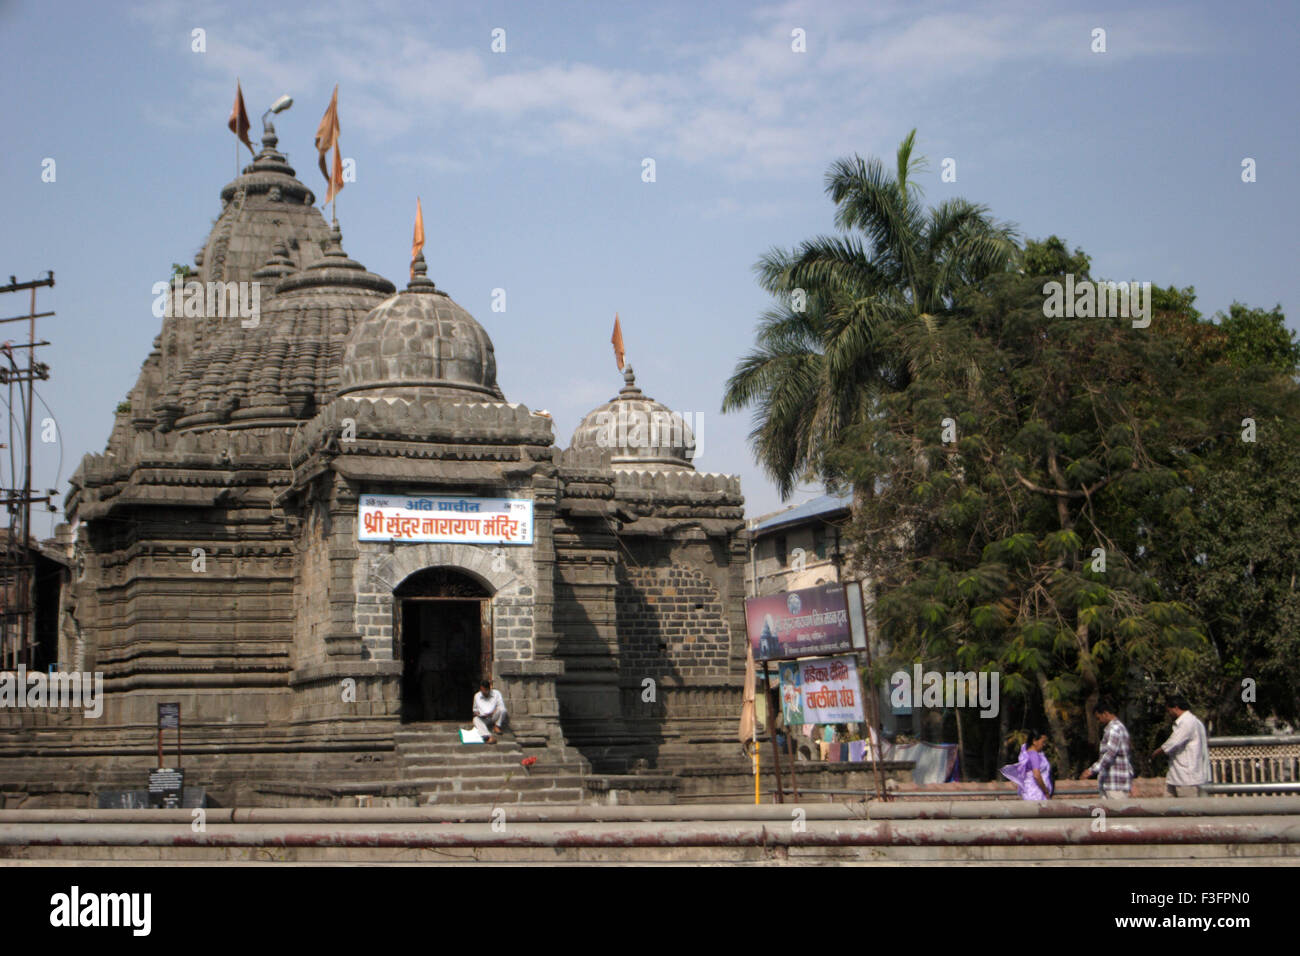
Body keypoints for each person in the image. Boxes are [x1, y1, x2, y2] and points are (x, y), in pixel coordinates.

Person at [1151, 696, 1210, 797]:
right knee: (1167, 808)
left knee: (1188, 809)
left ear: (1175, 708)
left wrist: (1157, 752)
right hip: (1176, 776)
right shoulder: (1192, 721)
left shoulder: (1187, 722)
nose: (1169, 713)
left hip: (1186, 778)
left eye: (1169, 710)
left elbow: (1173, 742)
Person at [1079, 700, 1133, 798]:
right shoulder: (1116, 728)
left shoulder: (1114, 729)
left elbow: (1110, 754)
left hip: (1115, 784)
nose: (1099, 721)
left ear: (1105, 714)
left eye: (1099, 718)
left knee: (1116, 811)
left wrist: (1091, 770)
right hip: (1111, 782)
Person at [1000, 731, 1053, 800]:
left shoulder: (1027, 753)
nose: (1044, 745)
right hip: (1036, 793)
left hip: (1029, 791)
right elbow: (1036, 775)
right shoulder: (1034, 755)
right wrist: (1046, 791)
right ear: (1034, 741)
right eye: (1043, 742)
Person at [470, 679, 507, 744]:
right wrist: (478, 714)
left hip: (494, 716)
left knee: (503, 710)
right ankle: (488, 736)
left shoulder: (496, 693)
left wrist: (493, 712)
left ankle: (497, 726)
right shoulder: (477, 696)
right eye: (482, 690)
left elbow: (501, 705)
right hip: (484, 718)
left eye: (485, 690)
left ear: (489, 689)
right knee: (475, 719)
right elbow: (475, 710)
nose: (484, 692)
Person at [416, 638, 441, 721]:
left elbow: (420, 668)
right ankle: (437, 714)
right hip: (437, 675)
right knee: (436, 695)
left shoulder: (423, 655)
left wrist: (417, 677)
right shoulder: (436, 655)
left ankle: (430, 717)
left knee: (427, 697)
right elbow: (442, 665)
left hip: (427, 675)